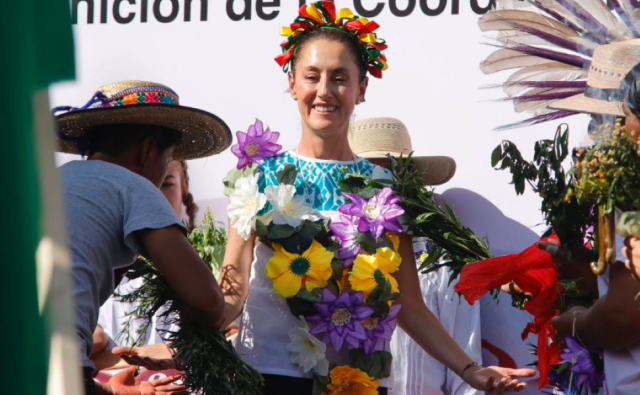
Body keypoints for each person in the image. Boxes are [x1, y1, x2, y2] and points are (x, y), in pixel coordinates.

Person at [219, 3, 534, 394]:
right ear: (293, 83)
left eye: (339, 78)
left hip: (359, 382)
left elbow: (410, 307)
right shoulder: (257, 177)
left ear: (360, 88)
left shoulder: (384, 188)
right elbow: (231, 293)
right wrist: (185, 339)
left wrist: (471, 370)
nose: (324, 91)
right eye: (312, 76)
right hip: (268, 376)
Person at [54, 80, 231, 395]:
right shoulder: (133, 186)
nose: (162, 174)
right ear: (149, 150)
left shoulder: (54, 180)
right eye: (168, 159)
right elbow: (209, 303)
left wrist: (115, 391)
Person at [348, 117, 482, 395]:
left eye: (389, 174)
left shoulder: (443, 261)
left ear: (409, 183)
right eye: (367, 176)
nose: (379, 187)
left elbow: (468, 376)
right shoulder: (324, 257)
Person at [548, 43, 640, 395]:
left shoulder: (632, 193)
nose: (593, 135)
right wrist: (593, 277)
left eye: (599, 120)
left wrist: (575, 323)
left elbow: (624, 315)